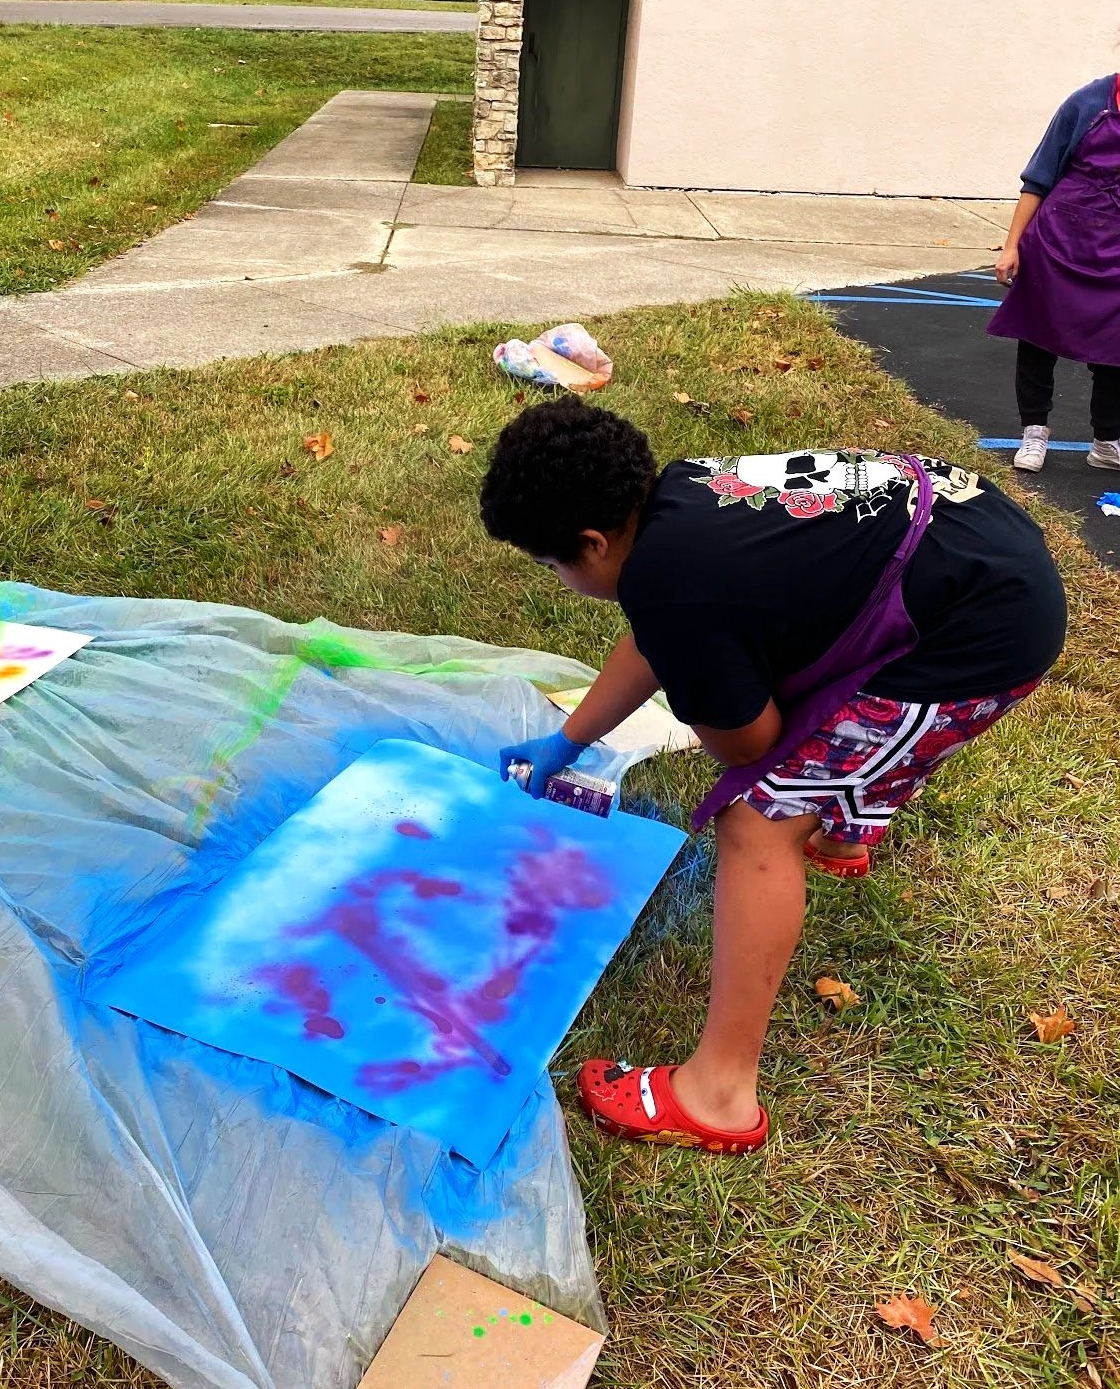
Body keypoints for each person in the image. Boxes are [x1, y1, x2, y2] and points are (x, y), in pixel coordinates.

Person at [480, 401, 1067, 1155]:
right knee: (810, 752)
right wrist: (570, 738)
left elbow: (750, 744)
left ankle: (718, 1092)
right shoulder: (680, 499)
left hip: (981, 630)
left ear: (592, 544)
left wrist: (718, 699)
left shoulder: (672, 581)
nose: (558, 577)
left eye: (551, 564)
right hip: (974, 545)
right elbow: (658, 636)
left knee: (758, 818)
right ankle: (846, 829)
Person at [989, 71, 1120, 474]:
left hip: (1115, 249)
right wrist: (1012, 244)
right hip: (1057, 238)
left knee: (1115, 346)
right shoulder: (1086, 103)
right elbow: (1039, 176)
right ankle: (1034, 433)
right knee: (1037, 337)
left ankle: (1107, 441)